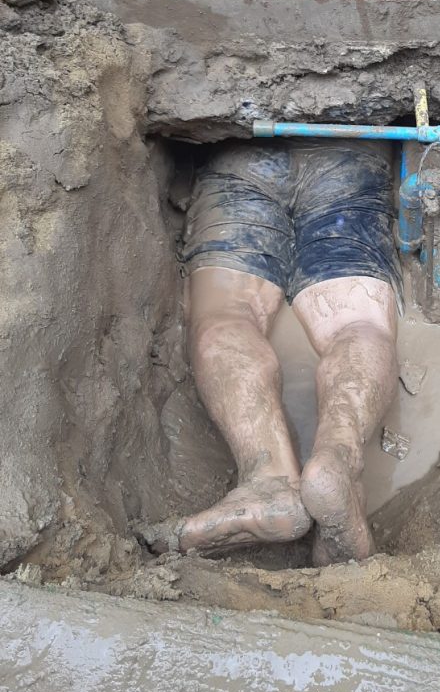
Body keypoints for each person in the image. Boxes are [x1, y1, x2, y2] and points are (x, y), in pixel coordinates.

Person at [157, 139, 401, 566]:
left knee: (225, 315)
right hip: (349, 152)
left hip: (239, 155)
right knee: (356, 322)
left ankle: (267, 478)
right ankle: (338, 458)